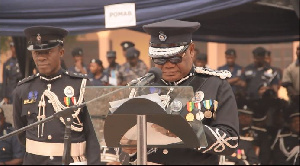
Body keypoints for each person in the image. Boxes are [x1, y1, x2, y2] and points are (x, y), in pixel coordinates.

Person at [122, 19, 239, 165]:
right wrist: (129, 148)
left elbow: (231, 142)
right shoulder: (142, 86)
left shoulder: (215, 84)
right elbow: (122, 144)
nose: (168, 65)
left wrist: (185, 131)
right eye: (160, 59)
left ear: (191, 50)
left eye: (175, 58)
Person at [13, 26, 100, 164]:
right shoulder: (23, 89)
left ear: (61, 52)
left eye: (47, 52)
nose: (41, 57)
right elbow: (21, 131)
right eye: (36, 52)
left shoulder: (81, 85)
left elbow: (93, 134)